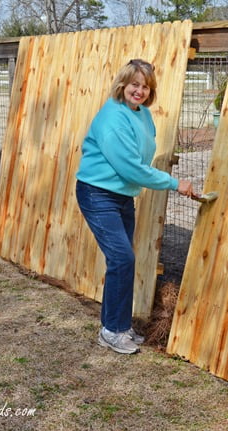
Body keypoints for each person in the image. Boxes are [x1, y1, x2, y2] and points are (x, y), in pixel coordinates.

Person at [75, 59, 193, 354]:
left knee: (123, 261)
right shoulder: (112, 119)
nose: (139, 91)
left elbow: (139, 159)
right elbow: (131, 168)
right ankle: (112, 330)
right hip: (97, 194)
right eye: (134, 84)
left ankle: (119, 326)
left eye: (145, 86)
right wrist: (173, 183)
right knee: (123, 259)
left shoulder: (142, 114)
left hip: (122, 196)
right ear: (123, 85)